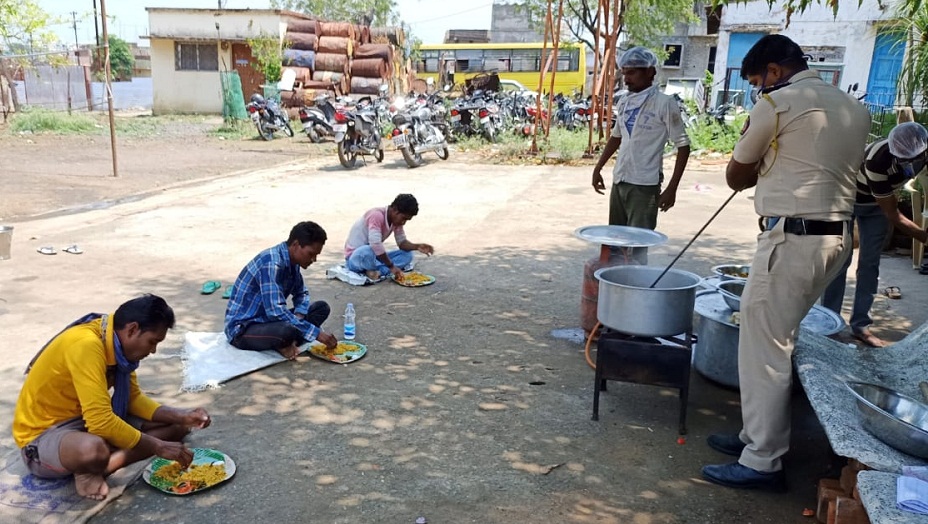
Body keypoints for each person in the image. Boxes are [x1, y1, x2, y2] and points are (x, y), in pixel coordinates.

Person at [701, 34, 871, 492]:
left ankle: (762, 460)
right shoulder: (854, 107)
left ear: (774, 72)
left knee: (764, 344)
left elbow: (736, 175)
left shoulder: (777, 105)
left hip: (792, 241)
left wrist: (753, 147)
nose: (760, 91)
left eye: (759, 82)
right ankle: (752, 435)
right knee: (782, 337)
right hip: (837, 240)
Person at [12, 295, 211, 500]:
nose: (153, 351)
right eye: (152, 342)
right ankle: (92, 466)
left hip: (83, 420)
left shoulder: (116, 343)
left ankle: (103, 466)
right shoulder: (86, 345)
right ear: (132, 329)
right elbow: (100, 423)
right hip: (44, 434)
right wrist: (157, 446)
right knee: (92, 450)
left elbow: (133, 400)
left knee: (177, 428)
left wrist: (182, 416)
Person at [822, 122, 928, 347]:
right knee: (841, 258)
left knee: (870, 263)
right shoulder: (877, 161)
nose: (909, 164)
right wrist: (925, 237)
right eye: (904, 159)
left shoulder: (923, 150)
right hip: (848, 198)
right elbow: (893, 214)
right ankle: (829, 323)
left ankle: (860, 325)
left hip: (879, 203)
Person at [591, 46, 691, 264]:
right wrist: (598, 168)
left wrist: (672, 188)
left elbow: (683, 146)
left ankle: (635, 290)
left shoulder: (665, 104)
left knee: (637, 246)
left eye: (632, 72)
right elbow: (616, 137)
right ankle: (615, 291)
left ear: (650, 72)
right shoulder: (625, 102)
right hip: (621, 180)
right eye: (624, 72)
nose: (626, 79)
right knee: (616, 242)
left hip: (644, 185)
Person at [225, 221, 338, 360]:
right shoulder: (271, 264)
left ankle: (286, 343)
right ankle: (285, 341)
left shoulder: (293, 262)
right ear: (296, 245)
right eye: (311, 254)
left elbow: (301, 293)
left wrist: (299, 315)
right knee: (287, 330)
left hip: (269, 321)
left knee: (321, 308)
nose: (313, 259)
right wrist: (317, 334)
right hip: (244, 328)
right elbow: (275, 311)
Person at [344, 193, 434, 281]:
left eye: (407, 220)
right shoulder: (376, 215)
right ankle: (378, 269)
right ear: (395, 210)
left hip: (374, 258)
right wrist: (391, 266)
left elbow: (402, 243)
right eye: (403, 218)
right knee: (368, 250)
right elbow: (375, 245)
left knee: (407, 255)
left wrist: (417, 246)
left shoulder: (396, 221)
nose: (404, 222)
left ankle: (376, 272)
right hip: (356, 258)